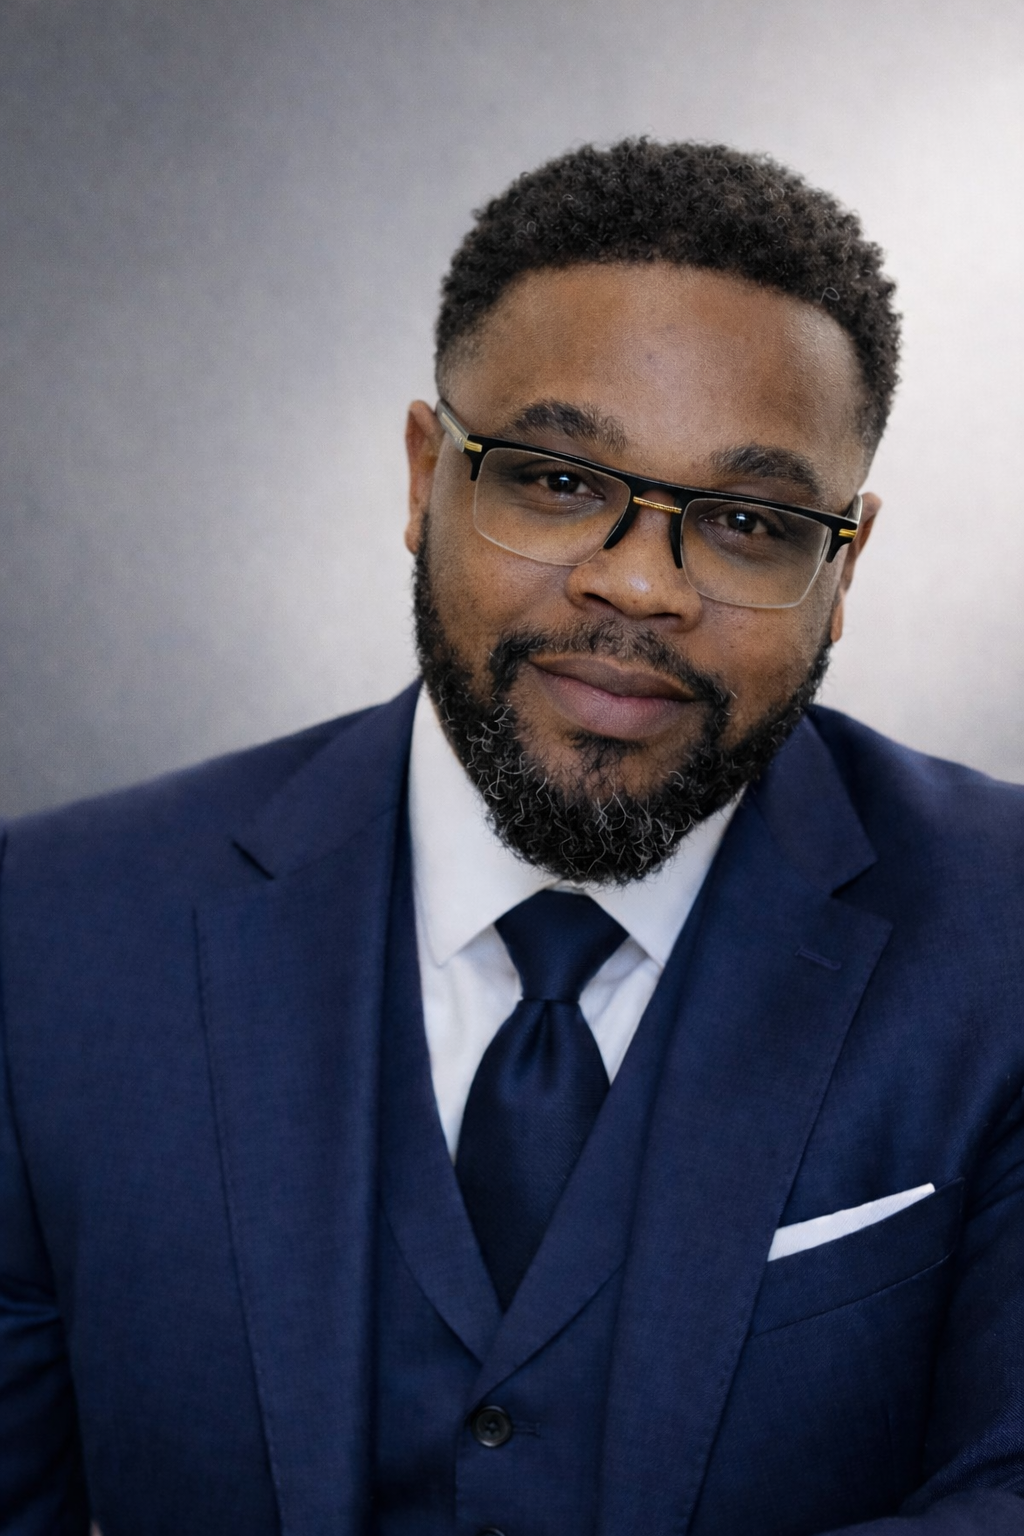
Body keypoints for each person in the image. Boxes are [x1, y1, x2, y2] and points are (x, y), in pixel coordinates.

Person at [1, 138, 1022, 1536]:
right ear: (426, 476)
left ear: (841, 568)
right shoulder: (49, 934)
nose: (639, 585)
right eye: (555, 481)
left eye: (747, 520)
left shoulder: (1002, 937)